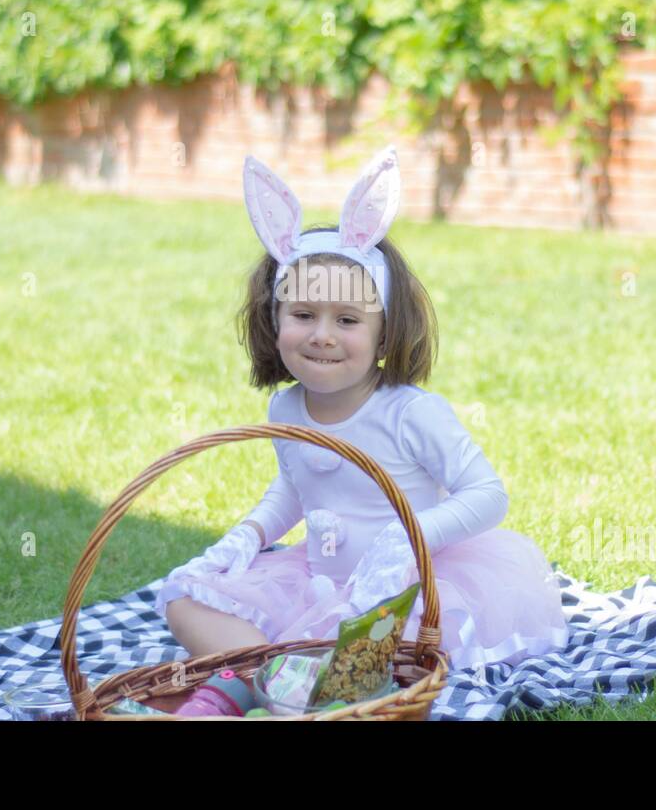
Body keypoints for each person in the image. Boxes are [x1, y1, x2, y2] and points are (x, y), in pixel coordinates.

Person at [156, 145, 570, 715]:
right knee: (183, 599)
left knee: (369, 641)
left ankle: (265, 683)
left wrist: (407, 537)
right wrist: (247, 537)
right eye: (303, 315)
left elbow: (488, 495)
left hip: (406, 584)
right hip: (319, 575)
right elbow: (295, 489)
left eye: (347, 321)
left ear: (384, 332)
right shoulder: (286, 409)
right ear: (274, 320)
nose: (323, 335)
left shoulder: (408, 411)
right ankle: (271, 681)